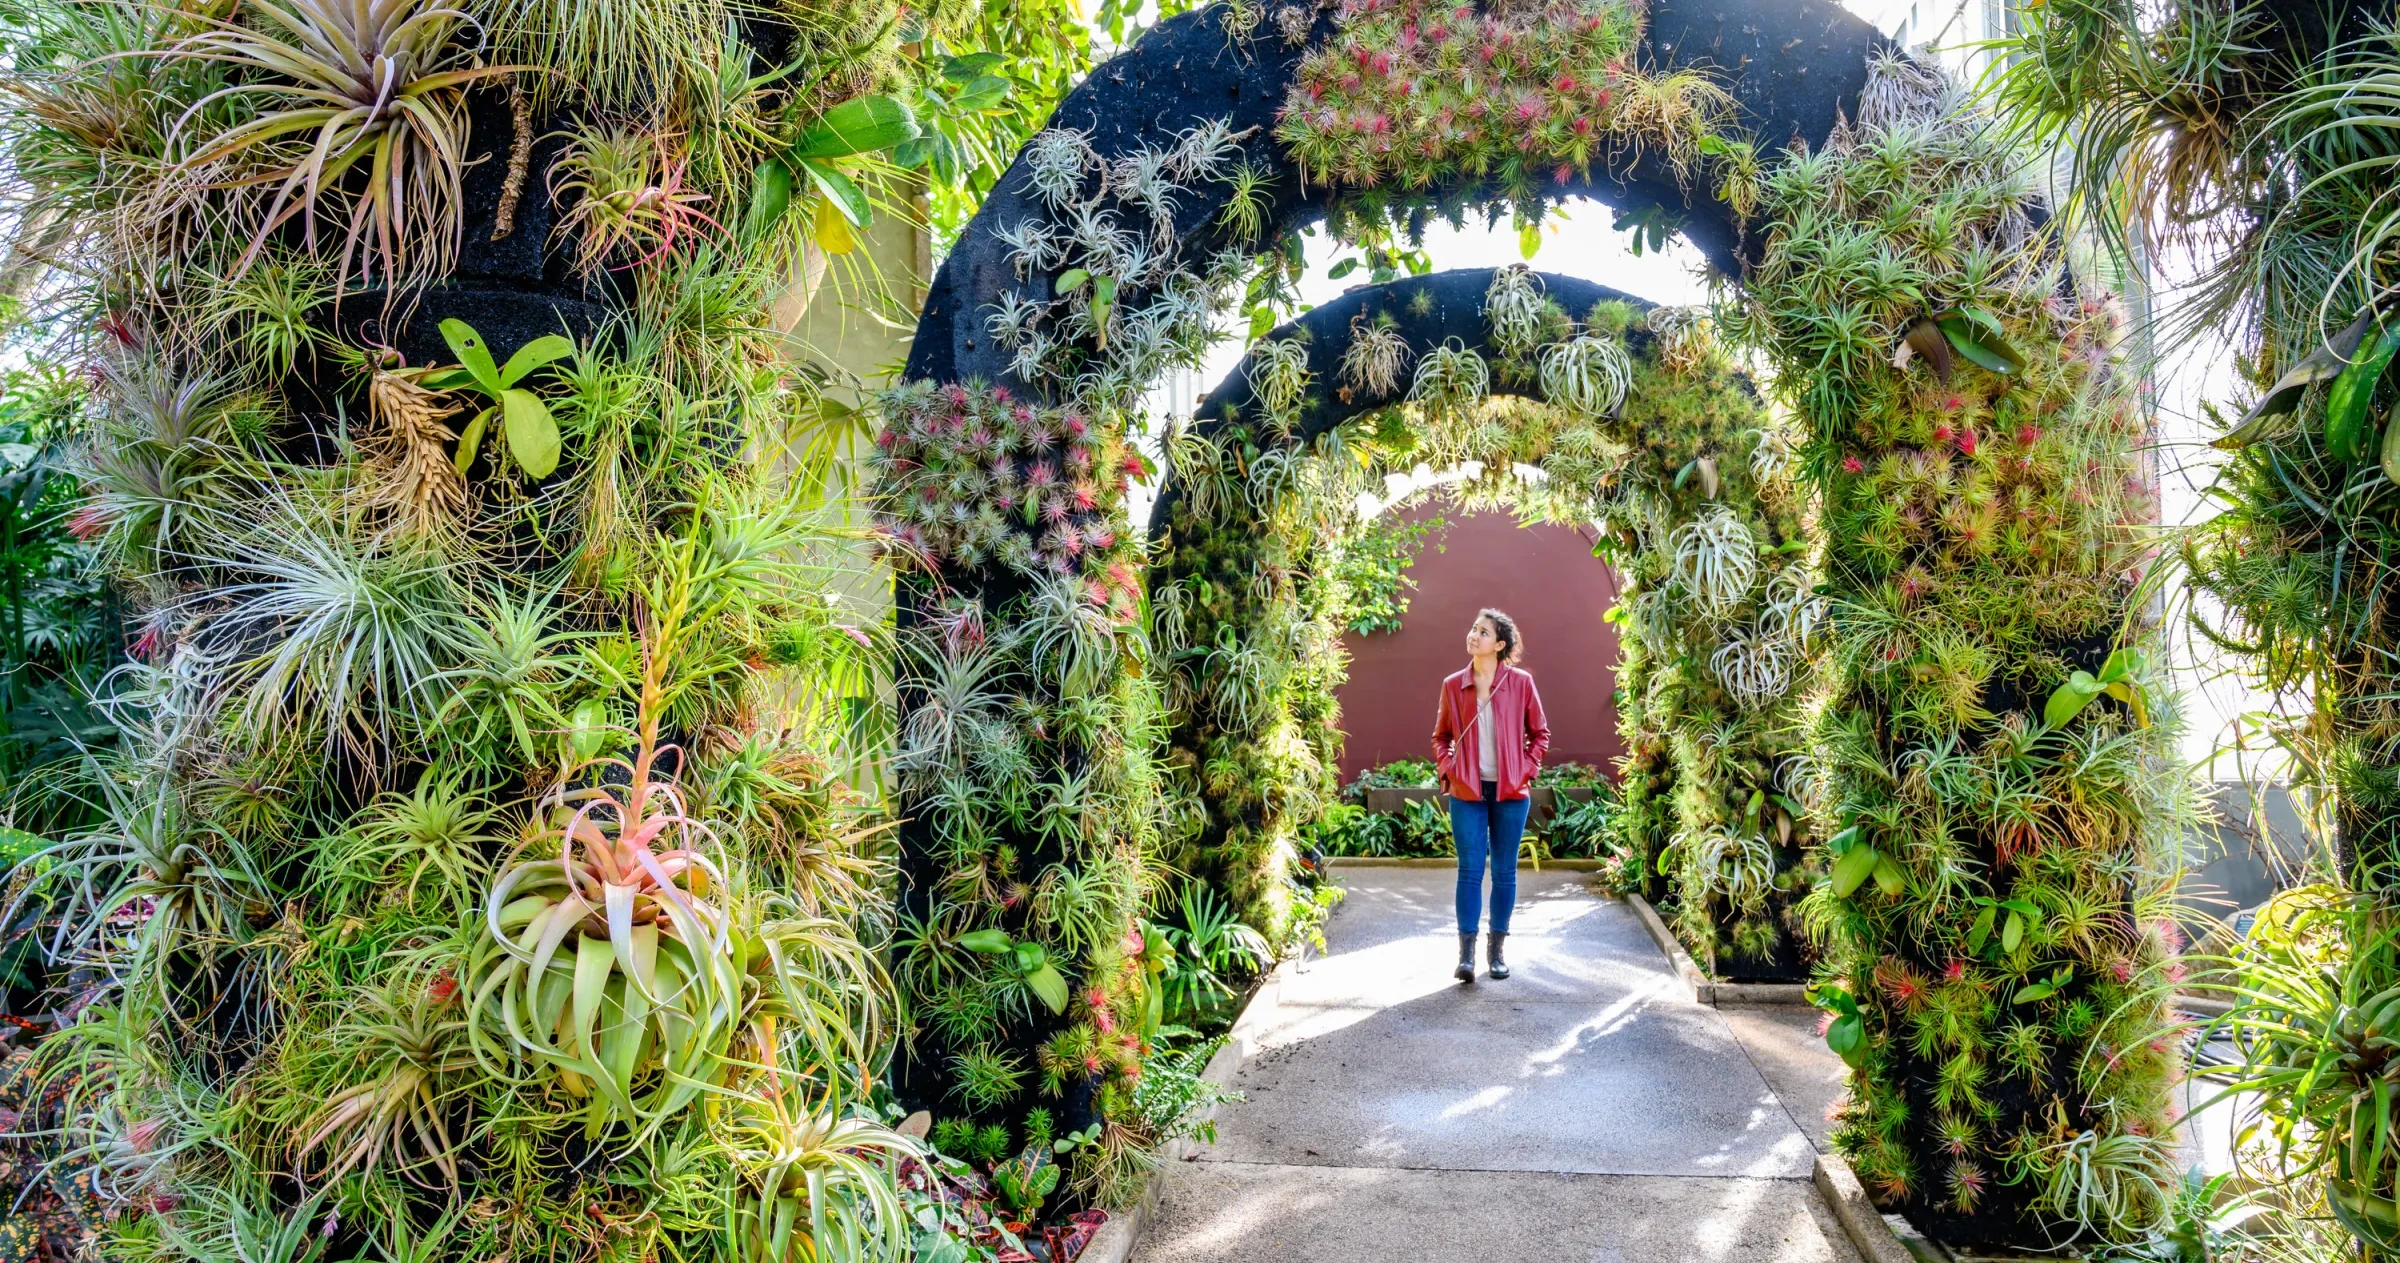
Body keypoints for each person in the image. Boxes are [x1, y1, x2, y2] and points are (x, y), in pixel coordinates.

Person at [1430, 608, 1549, 982]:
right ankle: (1466, 957)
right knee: (1469, 870)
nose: (1473, 635)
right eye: (1473, 628)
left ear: (1499, 645)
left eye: (1483, 632)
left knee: (1504, 872)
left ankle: (1496, 952)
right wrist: (1450, 769)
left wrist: (1525, 770)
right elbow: (1441, 737)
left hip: (1511, 792)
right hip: (1467, 790)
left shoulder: (1521, 683)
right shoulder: (1453, 684)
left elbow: (1540, 734)